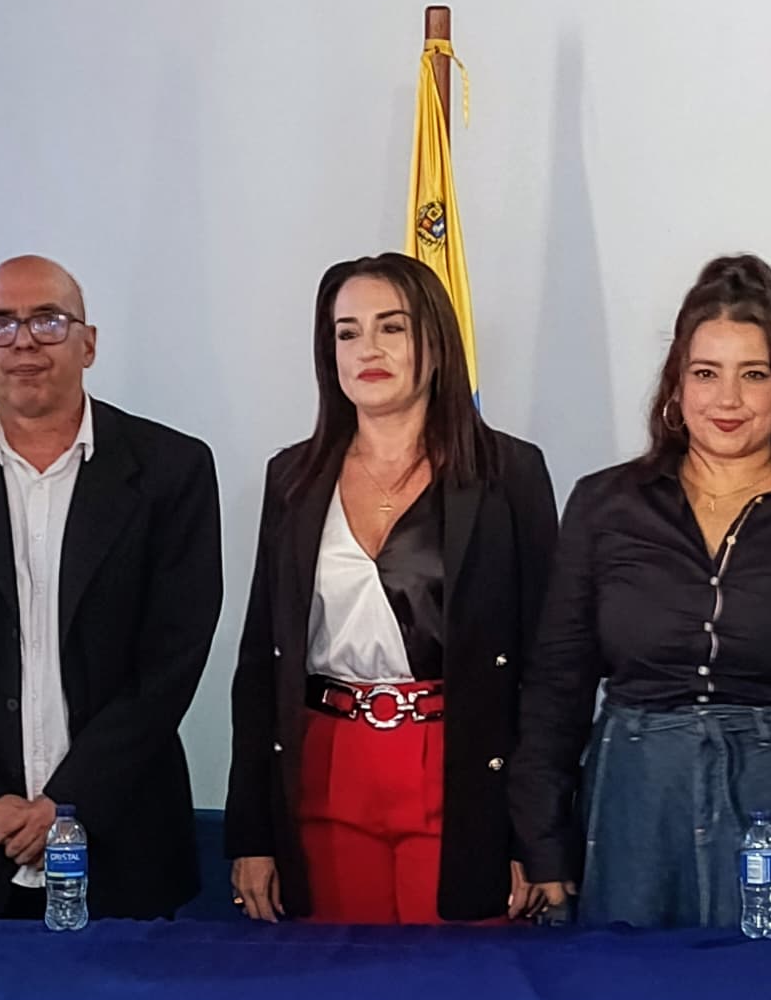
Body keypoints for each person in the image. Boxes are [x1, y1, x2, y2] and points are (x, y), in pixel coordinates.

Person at [513, 255, 771, 930]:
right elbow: (557, 682)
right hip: (638, 797)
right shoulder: (606, 505)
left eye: (753, 374)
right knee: (638, 989)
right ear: (675, 387)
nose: (727, 400)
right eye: (706, 373)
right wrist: (542, 841)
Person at [0, 253, 221, 920]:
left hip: (125, 832)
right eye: (1, 323)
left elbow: (172, 658)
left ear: (89, 344)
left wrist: (70, 800)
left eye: (48, 321)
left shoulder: (172, 468)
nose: (24, 341)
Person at [225, 255, 558, 923]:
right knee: (337, 977)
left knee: (457, 978)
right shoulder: (292, 478)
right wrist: (251, 832)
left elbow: (547, 666)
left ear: (436, 340)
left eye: (392, 327)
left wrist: (536, 834)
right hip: (327, 766)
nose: (367, 350)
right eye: (347, 333)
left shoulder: (508, 473)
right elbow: (262, 660)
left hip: (462, 773)